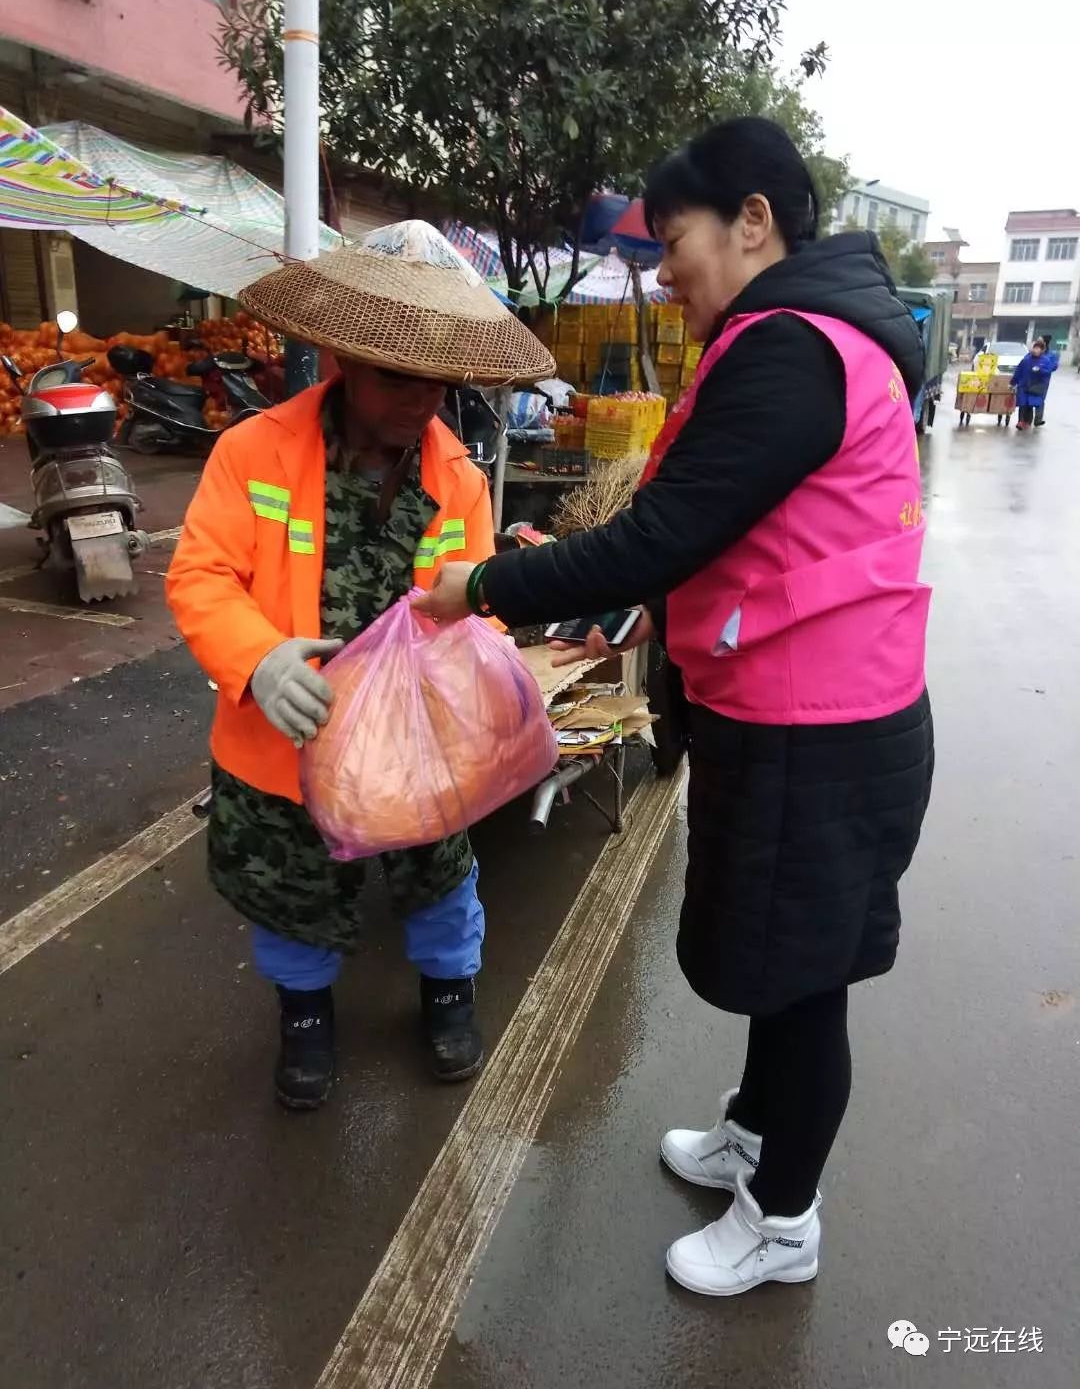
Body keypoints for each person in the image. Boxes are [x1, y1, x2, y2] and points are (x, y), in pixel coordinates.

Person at [416, 118, 934, 1297]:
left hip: (823, 732)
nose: (664, 272)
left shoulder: (793, 345)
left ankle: (784, 1220)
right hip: (811, 716)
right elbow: (739, 540)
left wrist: (483, 587)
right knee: (780, 959)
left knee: (802, 987)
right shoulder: (811, 335)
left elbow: (663, 532)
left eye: (676, 241)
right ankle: (758, 1132)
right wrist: (652, 613)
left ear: (755, 220)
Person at [166, 222, 552, 1109]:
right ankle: (304, 1015)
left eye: (436, 381)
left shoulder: (458, 477)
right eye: (395, 376)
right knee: (292, 891)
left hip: (417, 743)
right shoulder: (252, 451)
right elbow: (201, 574)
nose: (419, 400)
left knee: (440, 878)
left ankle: (448, 993)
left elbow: (468, 603)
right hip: (283, 739)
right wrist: (258, 660)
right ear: (344, 358)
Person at [1011, 337, 1057, 429]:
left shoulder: (1046, 360)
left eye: (1038, 348)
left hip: (1037, 386)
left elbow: (1049, 370)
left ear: (1042, 350)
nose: (1035, 350)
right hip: (1024, 385)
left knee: (1034, 403)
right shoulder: (1026, 359)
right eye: (1035, 348)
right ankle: (1020, 422)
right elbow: (1018, 371)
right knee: (1023, 403)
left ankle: (1032, 421)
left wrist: (1040, 370)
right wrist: (1012, 382)